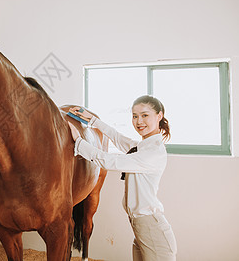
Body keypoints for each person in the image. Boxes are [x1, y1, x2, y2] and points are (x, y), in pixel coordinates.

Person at [68, 95, 177, 261]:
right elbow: (118, 138)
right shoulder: (143, 146)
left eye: (145, 115)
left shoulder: (152, 152)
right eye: (135, 116)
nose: (139, 121)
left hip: (152, 231)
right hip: (142, 229)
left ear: (159, 116)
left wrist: (79, 142)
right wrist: (93, 121)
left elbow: (110, 161)